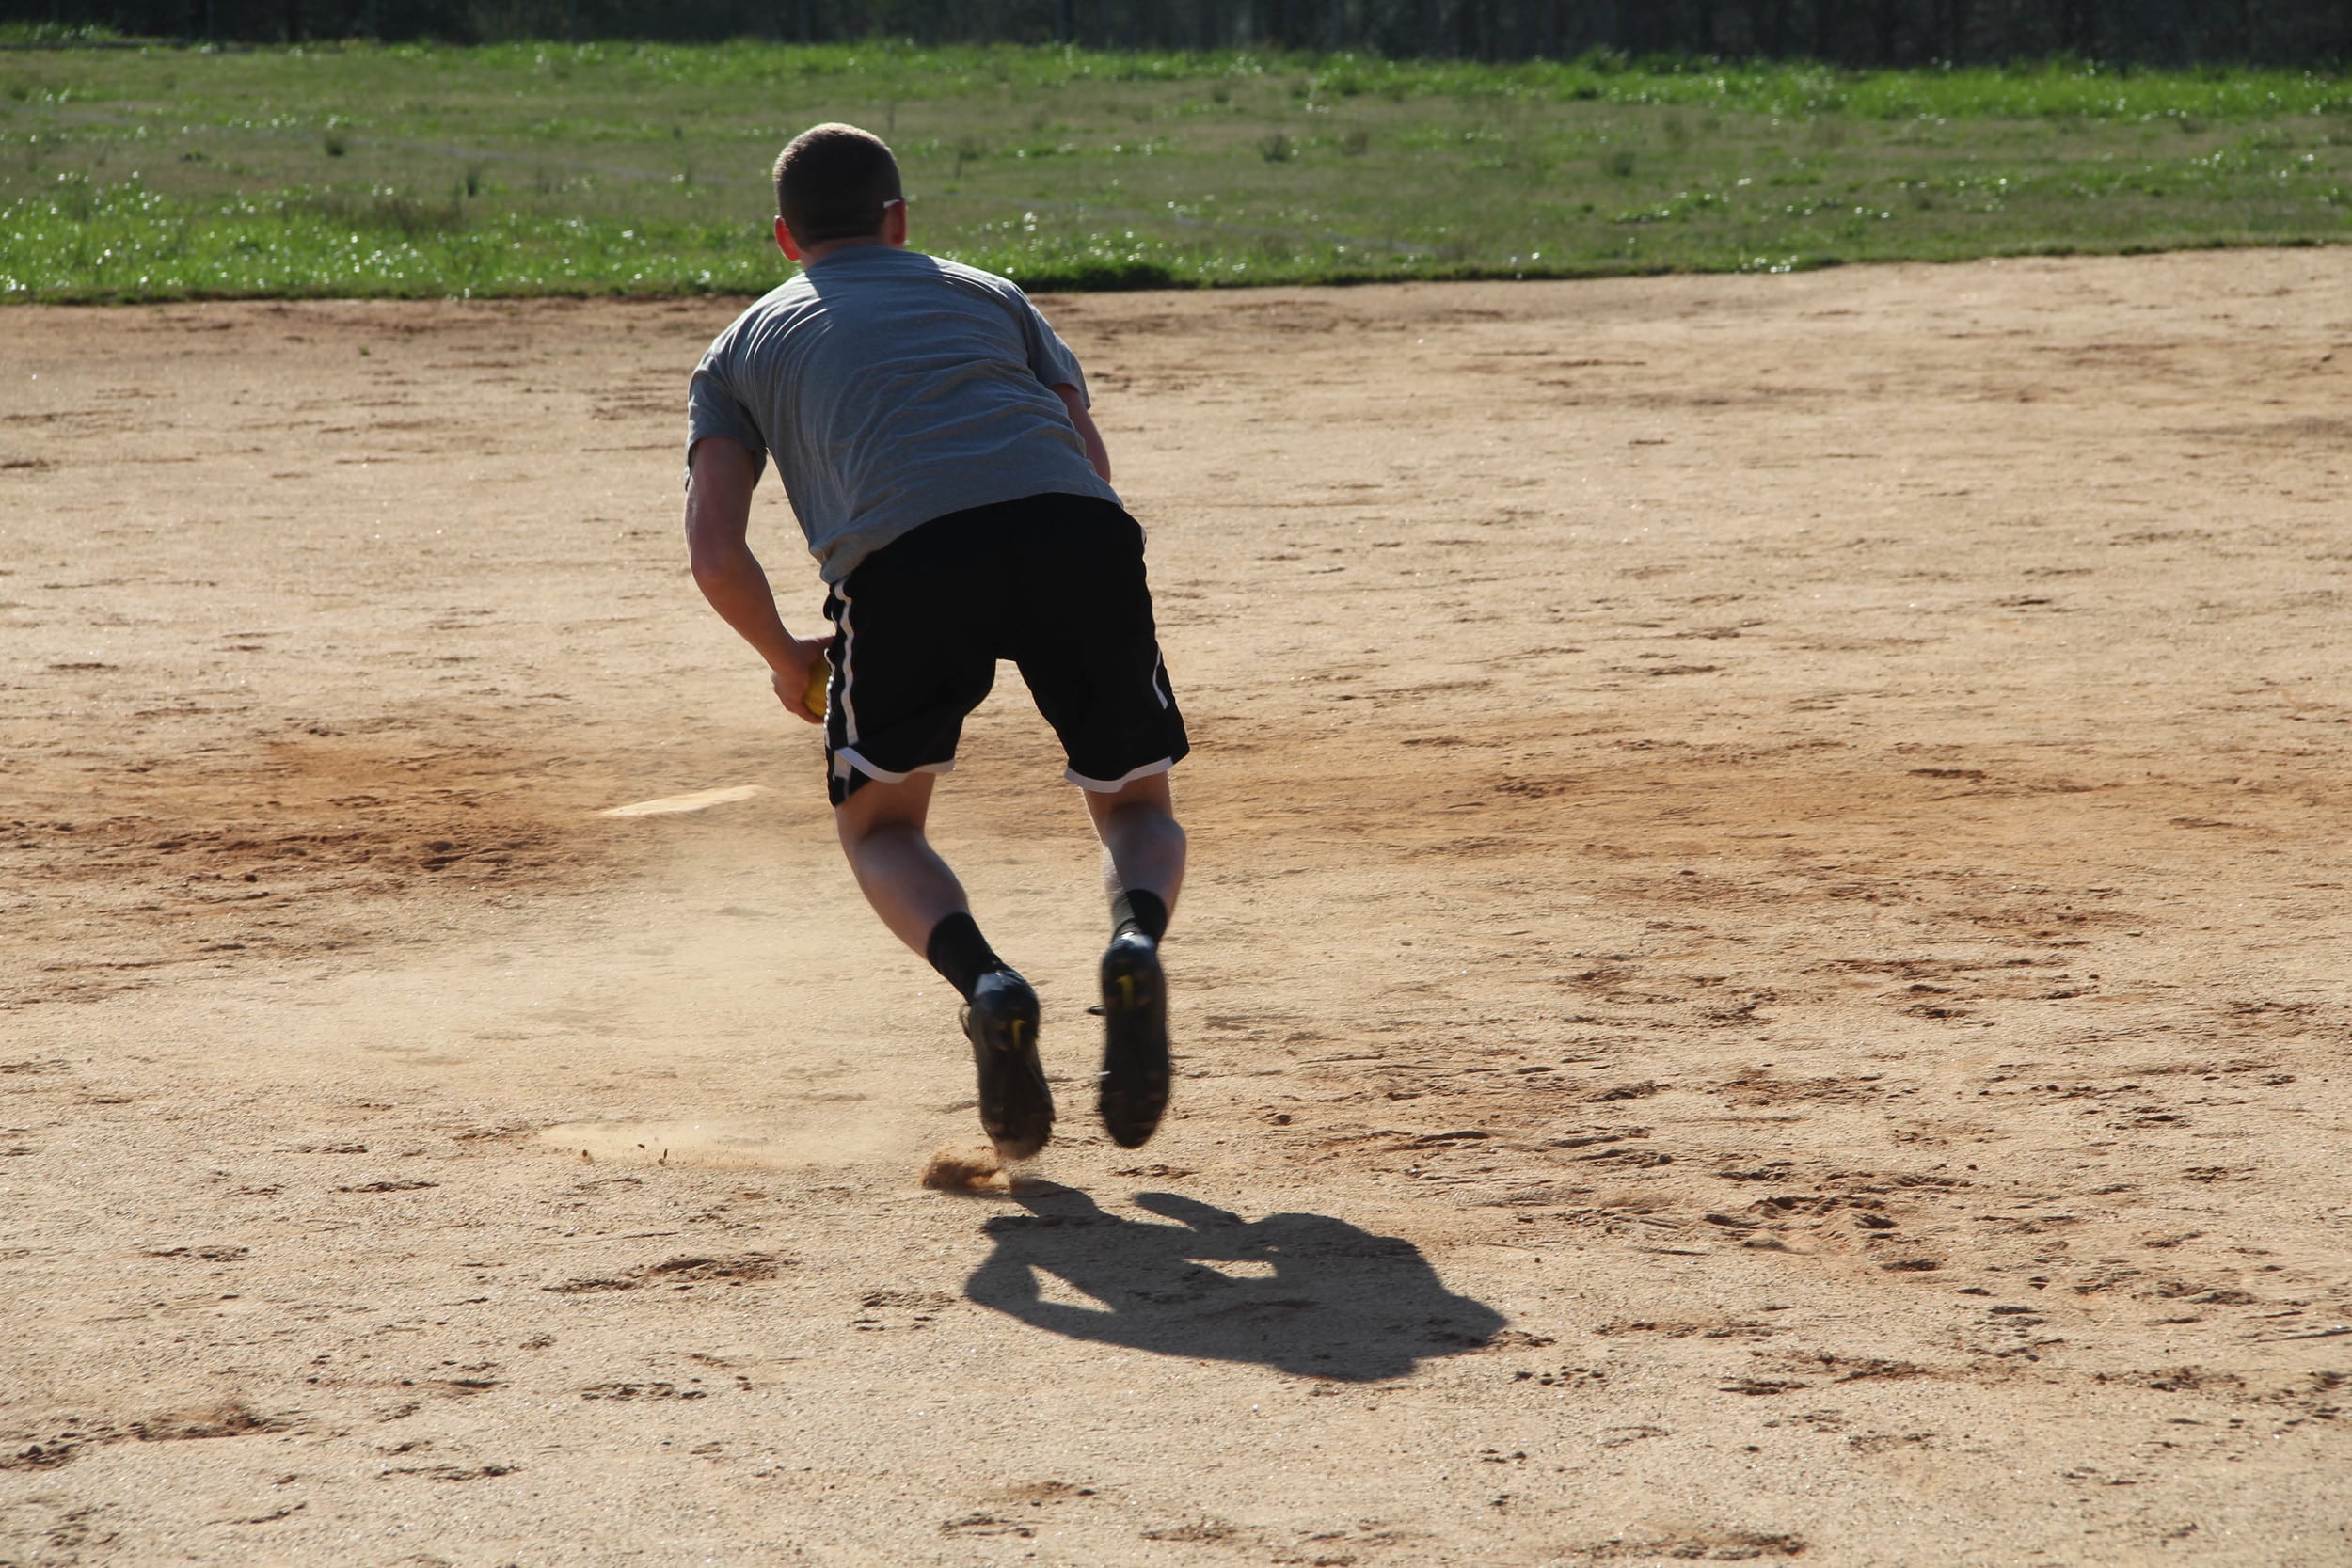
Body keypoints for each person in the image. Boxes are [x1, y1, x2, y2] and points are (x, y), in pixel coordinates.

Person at [680, 122, 1188, 1162]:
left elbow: (714, 553)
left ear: (784, 239)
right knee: (1133, 800)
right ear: (898, 220)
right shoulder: (987, 293)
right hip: (1075, 534)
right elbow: (1086, 457)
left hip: (904, 569)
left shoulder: (737, 349)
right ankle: (1133, 943)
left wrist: (790, 658)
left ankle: (989, 986)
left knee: (880, 827)